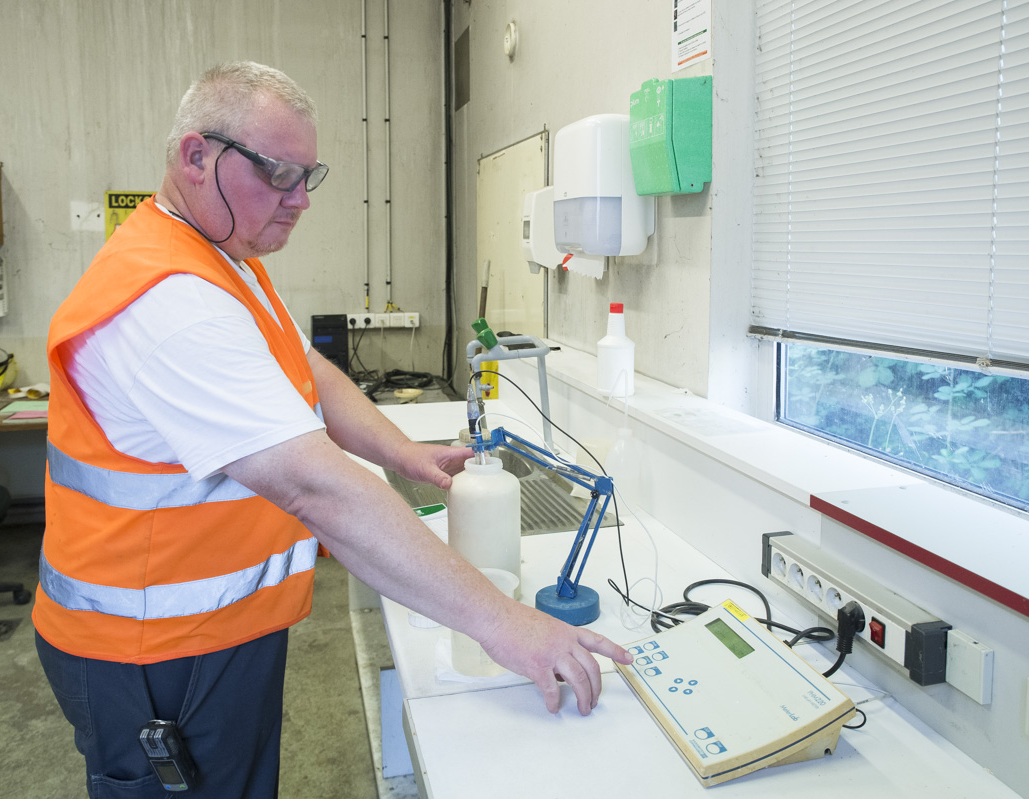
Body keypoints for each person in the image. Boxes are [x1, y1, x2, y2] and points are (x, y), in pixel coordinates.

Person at [34, 61, 631, 797]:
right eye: (277, 173)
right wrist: (506, 623)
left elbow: (304, 368)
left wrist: (400, 451)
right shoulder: (170, 300)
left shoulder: (225, 260)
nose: (297, 201)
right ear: (196, 156)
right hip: (152, 655)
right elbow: (322, 493)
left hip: (214, 631)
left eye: (306, 178)